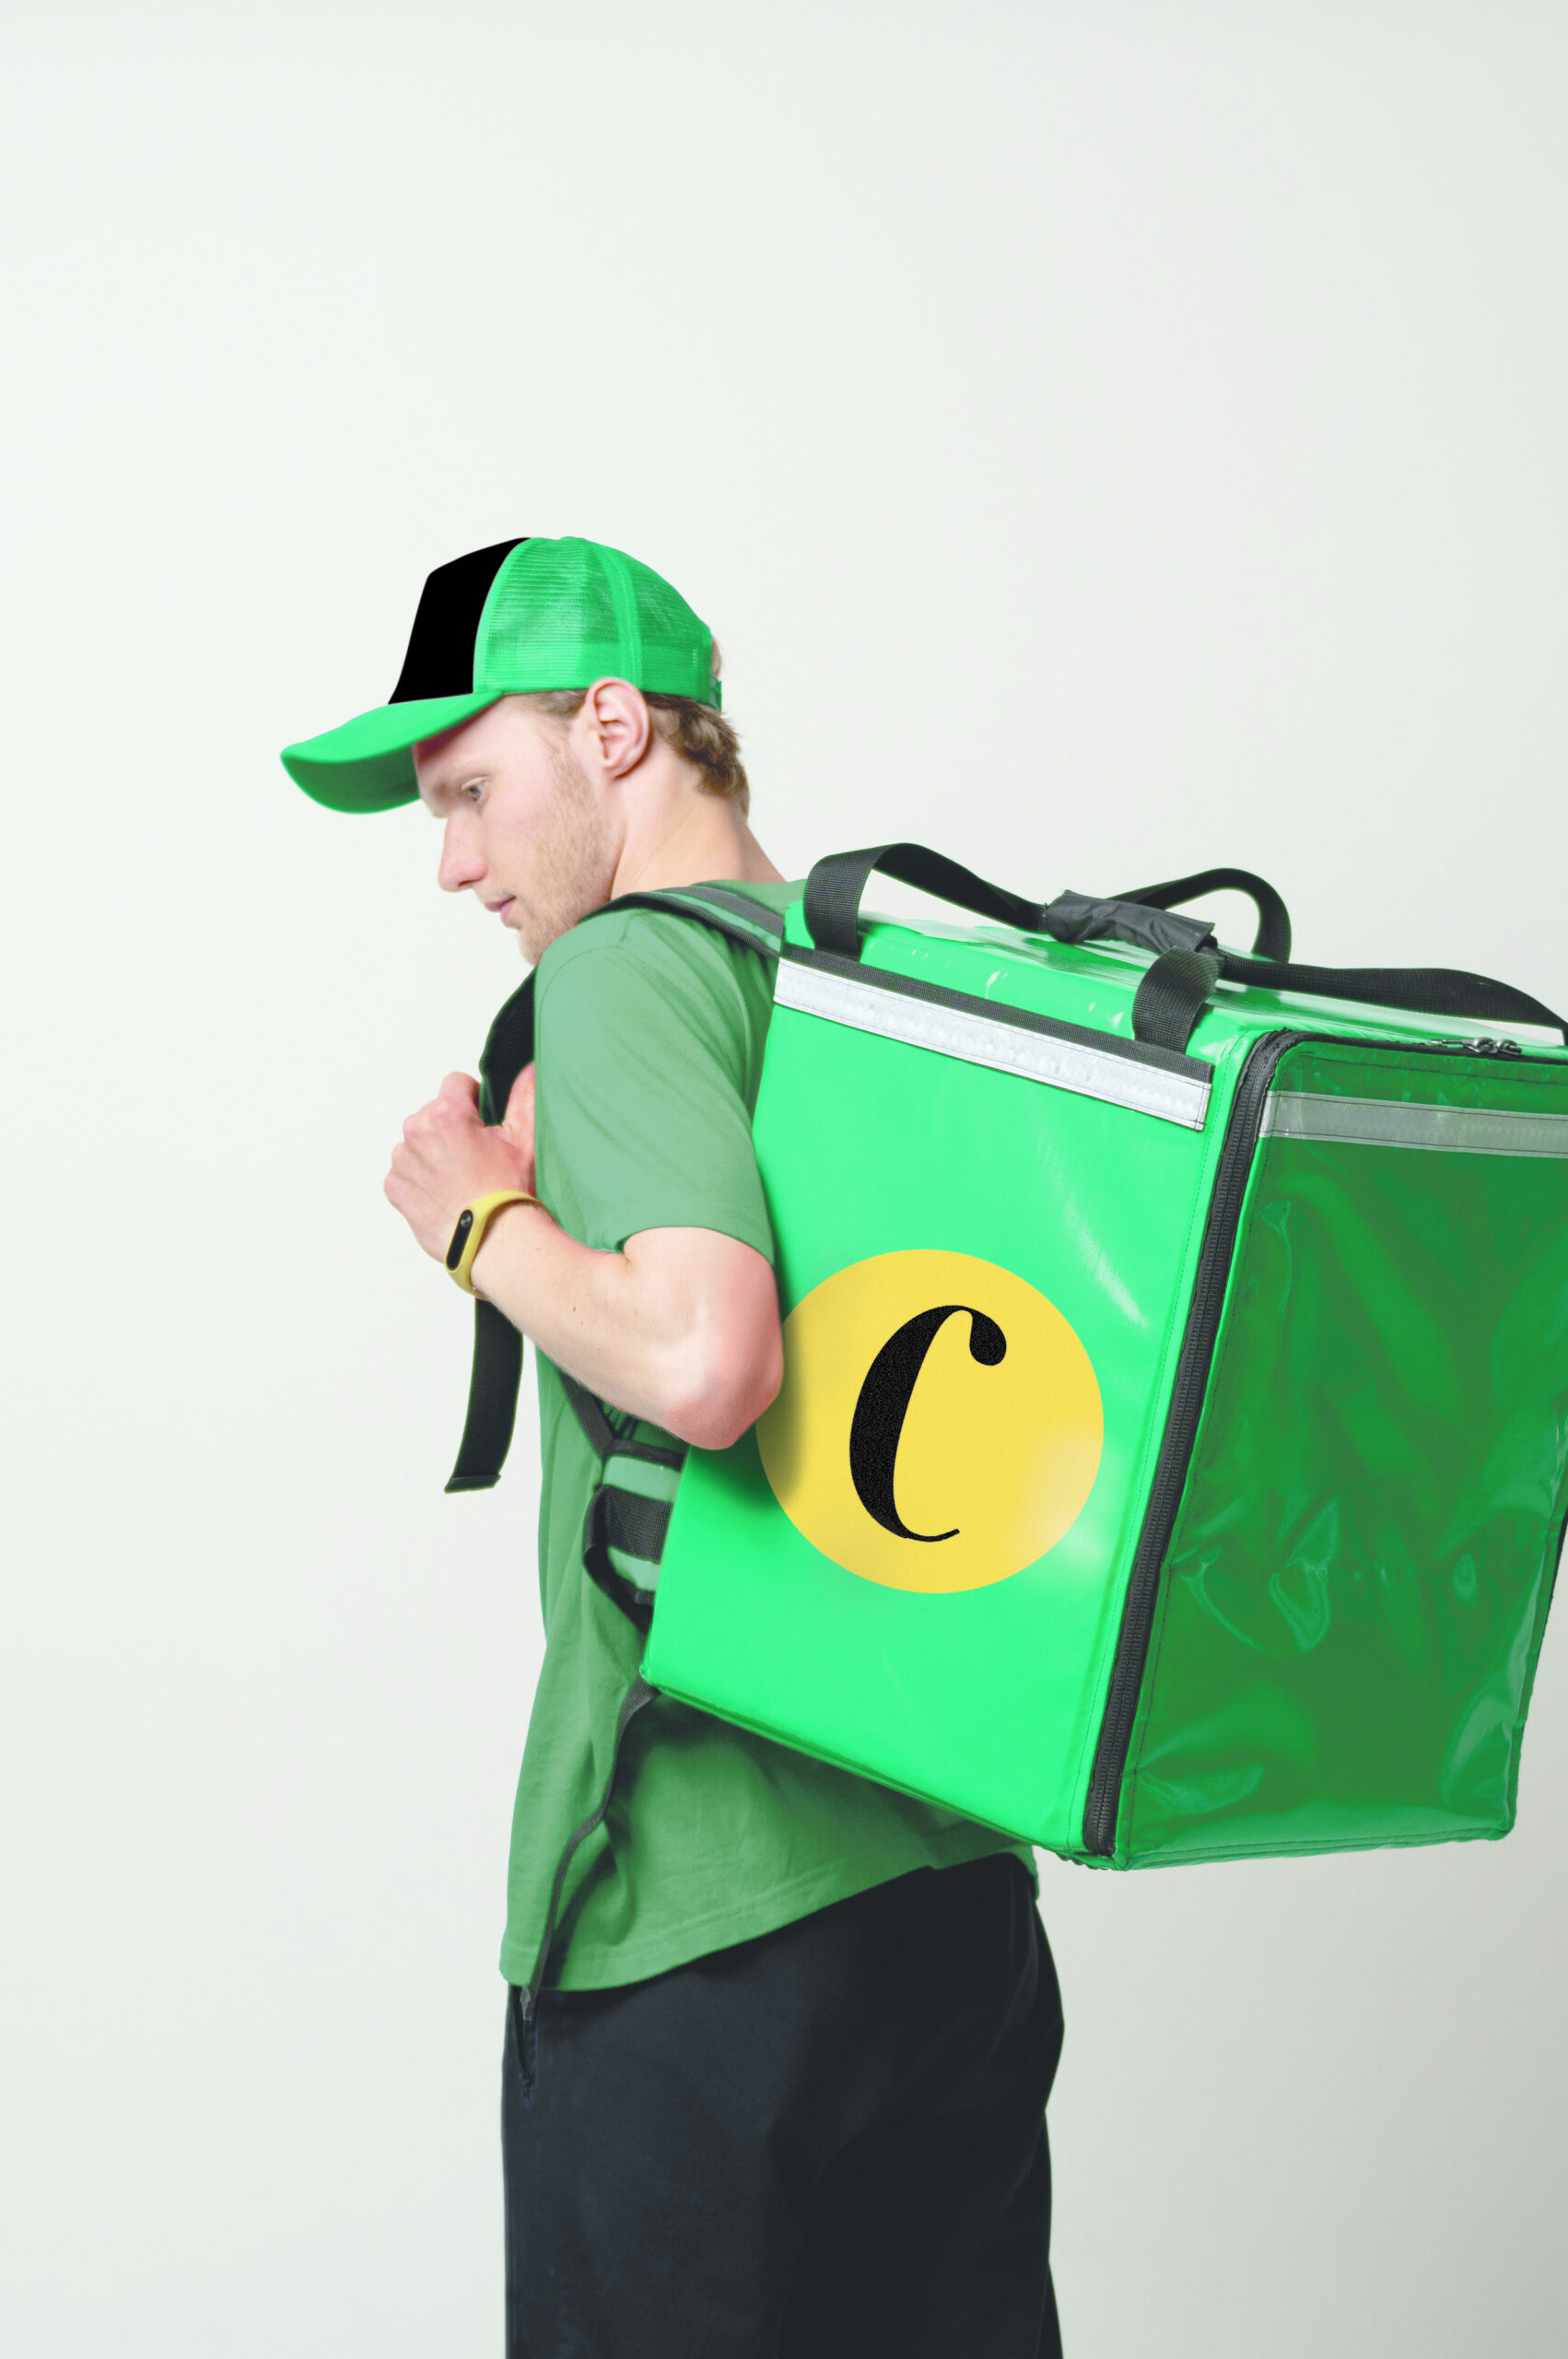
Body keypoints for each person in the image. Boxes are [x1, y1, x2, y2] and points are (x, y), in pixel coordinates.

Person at [281, 535, 1066, 2358]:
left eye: (470, 791)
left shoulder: (628, 972)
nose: (454, 860)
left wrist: (477, 1220)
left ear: (614, 728)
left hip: (700, 1911)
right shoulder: (874, 983)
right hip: (953, 1900)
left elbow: (713, 1361)